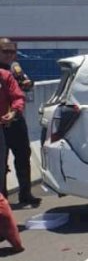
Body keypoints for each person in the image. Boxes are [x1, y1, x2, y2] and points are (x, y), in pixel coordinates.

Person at [0, 38, 41, 206]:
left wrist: (26, 84)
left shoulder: (14, 70)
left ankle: (25, 193)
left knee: (23, 156)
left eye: (12, 51)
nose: (10, 55)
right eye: (5, 51)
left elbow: (22, 90)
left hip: (14, 120)